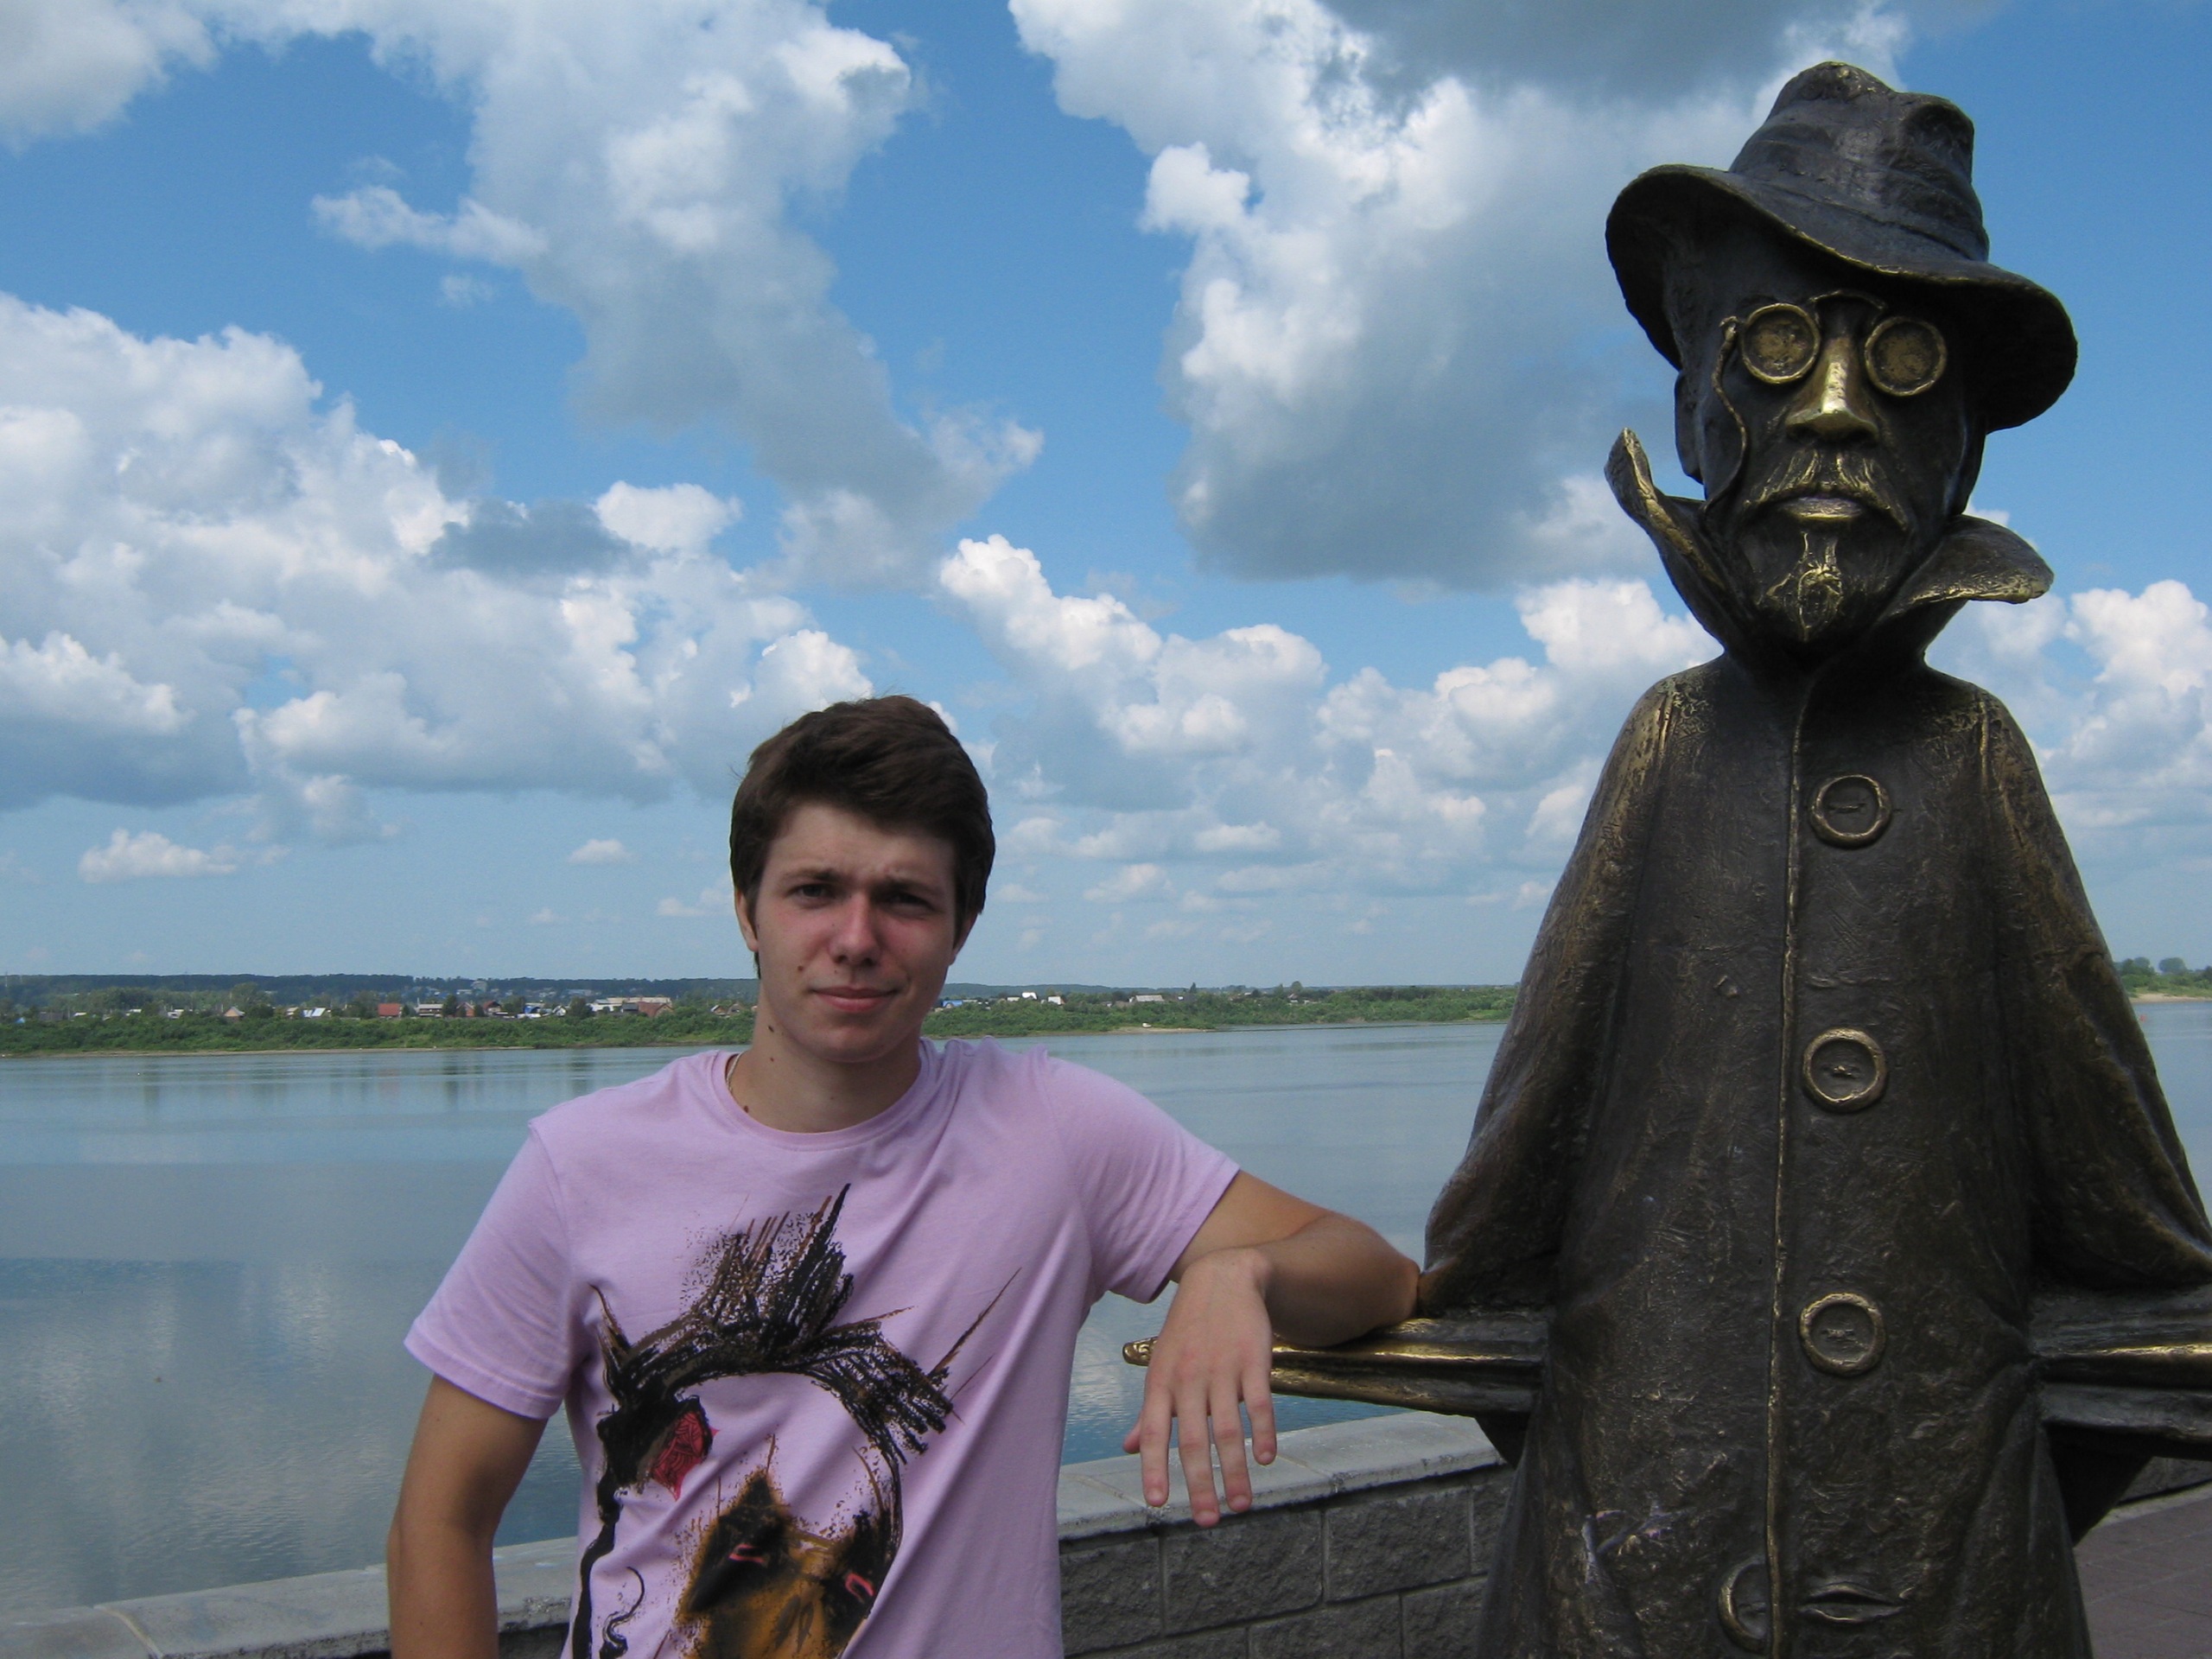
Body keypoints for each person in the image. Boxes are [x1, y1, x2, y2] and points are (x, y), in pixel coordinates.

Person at [1419, 63, 2212, 1657]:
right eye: (1779, 347)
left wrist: (1974, 1511)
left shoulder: (1975, 758)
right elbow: (1498, 1244)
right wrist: (1614, 1494)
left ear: (1961, 442)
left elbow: (2145, 1264)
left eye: (1901, 362)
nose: (1839, 409)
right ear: (1698, 405)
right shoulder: (1669, 741)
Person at [385, 694, 1418, 1659]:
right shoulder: (582, 1164)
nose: (856, 939)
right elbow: (441, 1519)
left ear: (960, 928)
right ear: (748, 911)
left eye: (905, 900)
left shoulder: (1054, 1133)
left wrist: (1240, 1274)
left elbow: (1378, 1275)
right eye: (814, 892)